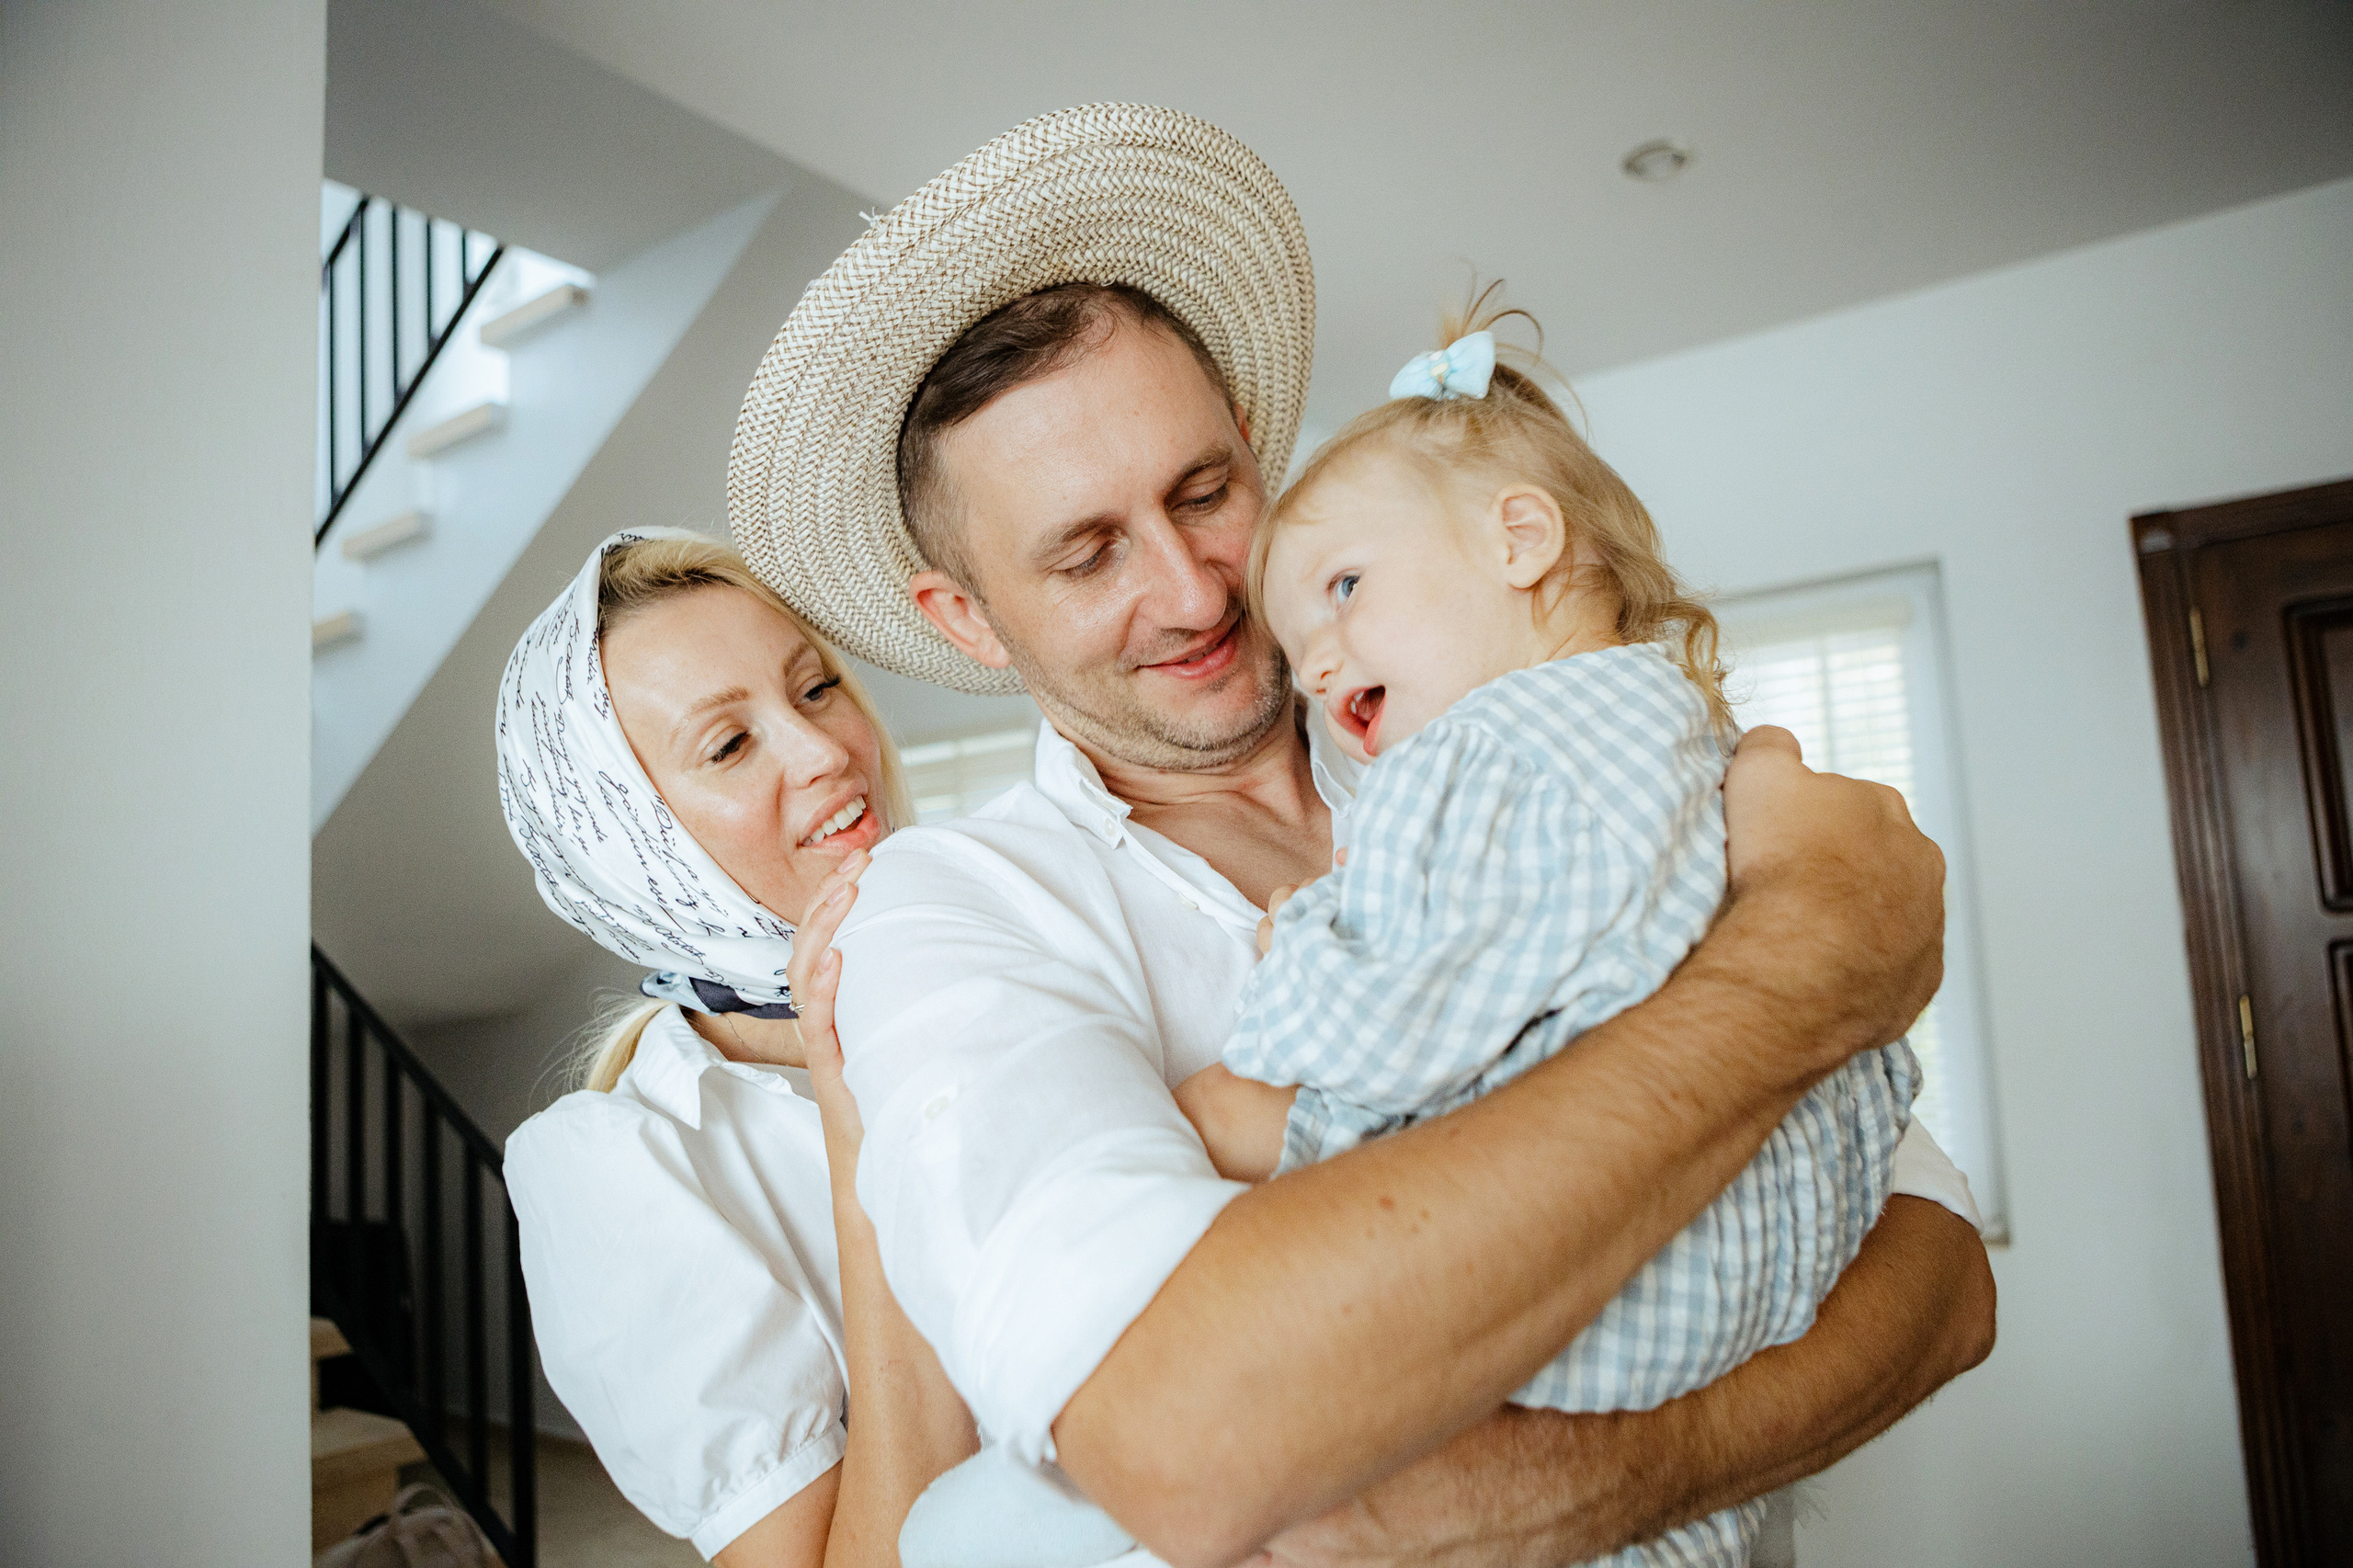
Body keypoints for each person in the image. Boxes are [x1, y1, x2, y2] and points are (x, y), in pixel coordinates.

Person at [727, 105, 1994, 1568]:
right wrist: (1805, 960)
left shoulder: (1523, 720)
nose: (1199, 590)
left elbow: (1941, 1274)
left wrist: (1623, 1472)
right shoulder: (954, 918)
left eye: (1207, 494)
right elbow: (1194, 1438)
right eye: (1086, 552)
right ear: (965, 615)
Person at [1167, 301, 1919, 1568]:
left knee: (1212, 1116)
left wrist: (1295, 952)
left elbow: (1402, 1028)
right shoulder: (1687, 732)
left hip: (1610, 1296)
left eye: (1344, 587)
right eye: (1298, 646)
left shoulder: (1490, 751)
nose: (1315, 663)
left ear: (1521, 540)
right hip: (1769, 1269)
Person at [494, 528, 981, 1564]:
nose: (826, 751)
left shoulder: (1015, 945)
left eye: (814, 689)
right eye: (728, 744)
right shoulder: (615, 1168)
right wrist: (863, 1142)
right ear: (629, 845)